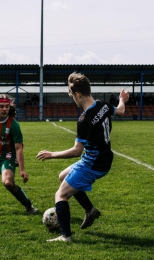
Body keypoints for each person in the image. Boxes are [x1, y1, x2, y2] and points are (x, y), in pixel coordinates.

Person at [36, 72, 129, 242]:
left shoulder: (85, 119)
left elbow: (76, 151)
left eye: (72, 96)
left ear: (78, 94)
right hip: (104, 158)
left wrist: (51, 155)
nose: (73, 99)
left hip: (92, 163)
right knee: (62, 176)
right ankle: (90, 210)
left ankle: (66, 236)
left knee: (61, 195)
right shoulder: (103, 105)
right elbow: (121, 110)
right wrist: (122, 99)